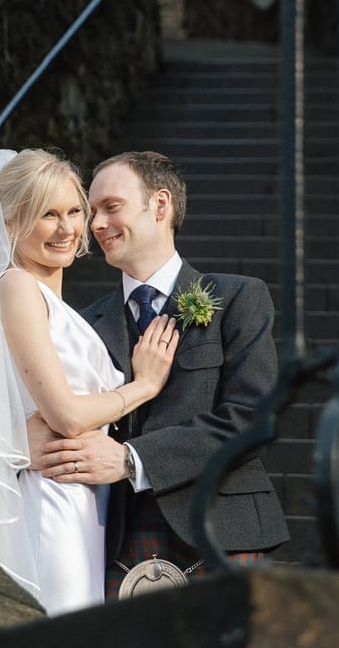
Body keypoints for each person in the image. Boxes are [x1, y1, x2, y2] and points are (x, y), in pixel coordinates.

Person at [0, 148, 179, 616]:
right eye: (48, 214)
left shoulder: (55, 303)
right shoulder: (17, 286)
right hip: (51, 497)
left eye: (74, 211)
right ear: (9, 224)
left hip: (85, 497)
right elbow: (65, 415)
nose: (67, 228)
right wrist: (142, 387)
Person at [35, 151, 289, 597]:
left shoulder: (237, 297)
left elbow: (254, 418)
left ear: (160, 204)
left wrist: (133, 459)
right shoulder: (82, 326)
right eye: (91, 211)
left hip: (223, 531)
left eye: (110, 207)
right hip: (117, 539)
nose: (94, 225)